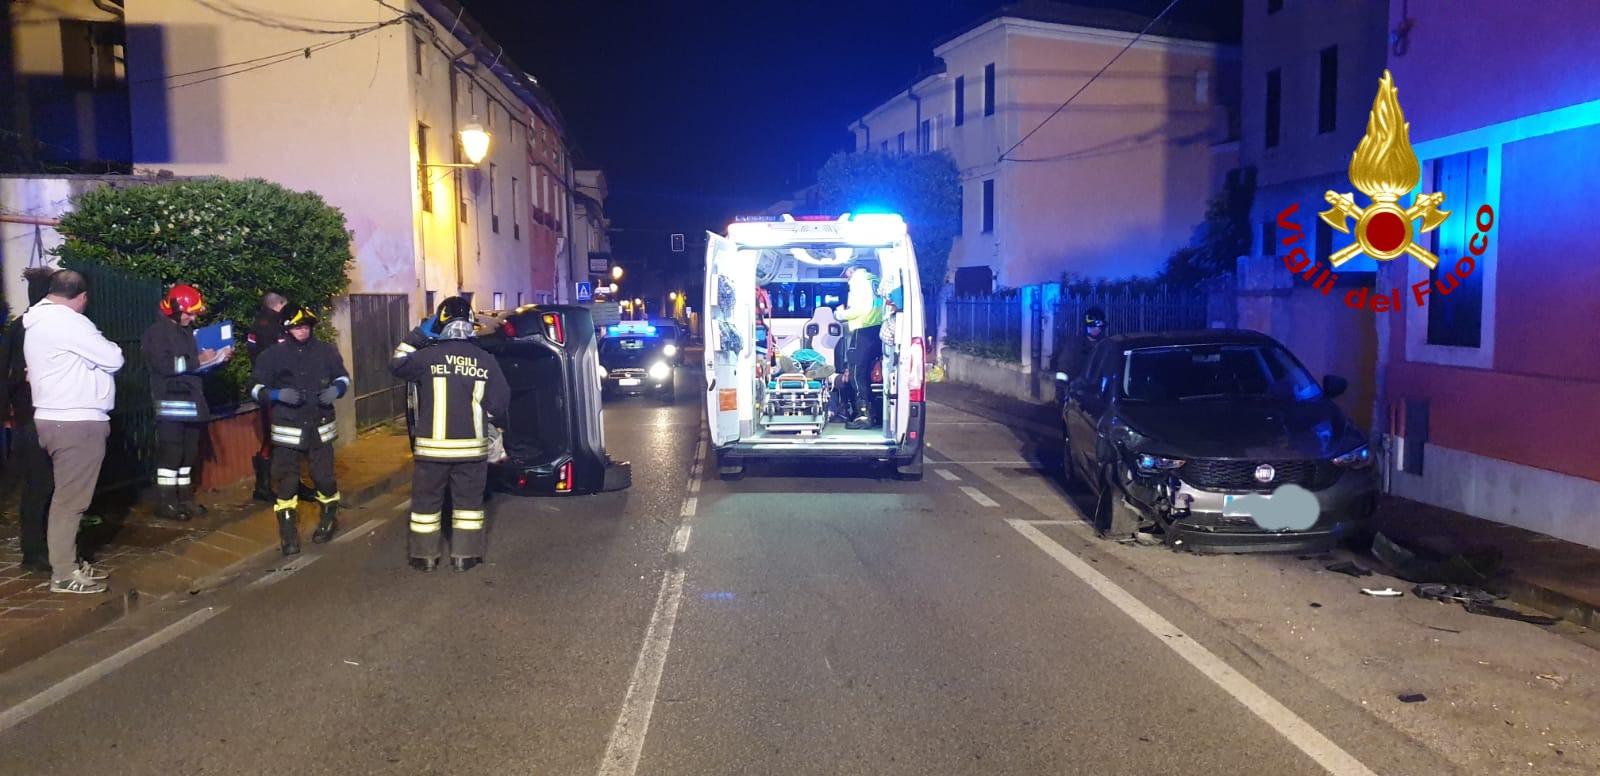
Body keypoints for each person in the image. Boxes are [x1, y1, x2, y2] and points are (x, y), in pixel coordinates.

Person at [389, 297, 509, 572]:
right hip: (471, 451)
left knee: (426, 504)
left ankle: (425, 557)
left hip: (432, 451)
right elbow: (500, 404)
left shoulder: (427, 357)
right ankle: (465, 557)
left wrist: (419, 334)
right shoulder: (486, 360)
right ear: (471, 324)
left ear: (440, 325)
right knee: (468, 505)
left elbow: (396, 364)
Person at [23, 269, 123, 594]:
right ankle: (64, 574)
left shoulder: (37, 322)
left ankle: (70, 563)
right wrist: (97, 356)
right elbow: (114, 357)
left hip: (52, 418)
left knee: (65, 497)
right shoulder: (70, 323)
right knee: (70, 502)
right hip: (76, 421)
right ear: (81, 297)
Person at [250, 304, 350, 556]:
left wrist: (336, 390)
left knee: (323, 478)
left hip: (320, 426)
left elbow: (342, 377)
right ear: (286, 329)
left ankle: (328, 519)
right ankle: (288, 535)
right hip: (288, 428)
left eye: (306, 327)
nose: (303, 331)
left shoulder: (326, 351)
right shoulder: (272, 356)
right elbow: (254, 388)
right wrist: (276, 394)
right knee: (287, 483)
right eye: (297, 327)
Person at [141, 284, 232, 521]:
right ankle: (167, 502)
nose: (192, 318)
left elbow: (194, 367)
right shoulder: (156, 334)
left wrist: (218, 360)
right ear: (174, 309)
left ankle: (185, 499)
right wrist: (198, 359)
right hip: (171, 404)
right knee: (171, 456)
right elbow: (164, 366)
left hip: (192, 403)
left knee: (188, 455)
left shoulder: (186, 332)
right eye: (189, 313)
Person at [1, 267, 58, 574]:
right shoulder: (35, 327)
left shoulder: (20, 326)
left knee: (37, 486)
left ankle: (36, 548)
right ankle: (37, 551)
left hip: (28, 417)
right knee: (41, 485)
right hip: (37, 417)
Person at [247, 292, 288, 501]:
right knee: (277, 436)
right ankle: (265, 487)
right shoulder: (274, 326)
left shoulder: (257, 325)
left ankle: (279, 483)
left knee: (275, 436)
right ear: (278, 305)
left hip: (266, 388)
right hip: (276, 390)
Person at [835, 262, 884, 430]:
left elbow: (859, 309)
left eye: (846, 274)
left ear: (851, 270)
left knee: (856, 374)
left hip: (863, 329)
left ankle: (863, 415)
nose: (847, 278)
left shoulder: (858, 280)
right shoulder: (874, 279)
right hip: (876, 330)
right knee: (867, 374)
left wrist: (840, 314)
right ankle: (874, 413)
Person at [1050, 306, 1109, 406]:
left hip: (1100, 396)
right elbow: (1063, 369)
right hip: (1077, 396)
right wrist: (1061, 391)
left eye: (1098, 327)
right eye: (1092, 327)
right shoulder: (1074, 345)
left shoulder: (1106, 345)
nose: (1095, 329)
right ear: (1086, 326)